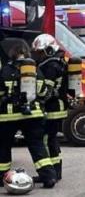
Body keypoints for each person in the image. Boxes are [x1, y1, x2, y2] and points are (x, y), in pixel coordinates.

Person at [0, 38, 57, 188]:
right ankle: (49, 177)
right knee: (37, 145)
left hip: (8, 116)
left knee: (4, 146)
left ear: (12, 53)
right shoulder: (35, 69)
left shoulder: (6, 70)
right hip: (33, 114)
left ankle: (1, 177)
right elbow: (43, 92)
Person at [32, 34, 75, 181]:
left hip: (52, 108)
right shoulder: (60, 61)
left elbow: (47, 91)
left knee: (46, 140)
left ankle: (49, 173)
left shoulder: (50, 65)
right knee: (52, 139)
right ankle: (56, 172)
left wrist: (37, 101)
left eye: (40, 52)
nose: (39, 55)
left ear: (49, 49)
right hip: (59, 106)